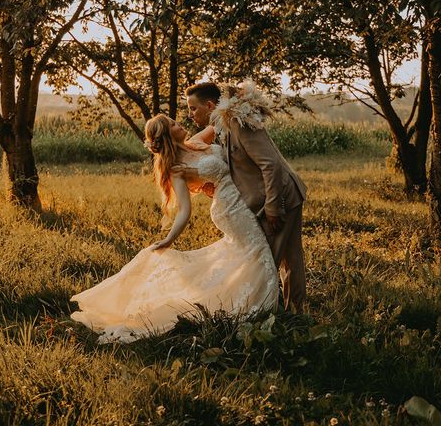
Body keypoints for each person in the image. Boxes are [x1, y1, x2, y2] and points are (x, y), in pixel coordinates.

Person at [70, 113, 278, 343]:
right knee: (259, 252)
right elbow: (184, 211)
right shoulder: (176, 168)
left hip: (242, 200)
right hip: (230, 210)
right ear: (168, 135)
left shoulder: (197, 141)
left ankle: (247, 300)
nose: (180, 124)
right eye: (173, 124)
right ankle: (260, 308)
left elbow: (218, 122)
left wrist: (236, 105)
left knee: (248, 255)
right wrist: (169, 239)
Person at [186, 80, 307, 312]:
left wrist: (273, 207)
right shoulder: (223, 125)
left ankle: (265, 314)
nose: (190, 114)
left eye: (193, 108)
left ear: (210, 105)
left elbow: (270, 164)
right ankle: (296, 313)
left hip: (281, 196)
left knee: (266, 261)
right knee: (290, 260)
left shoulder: (237, 122)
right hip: (281, 194)